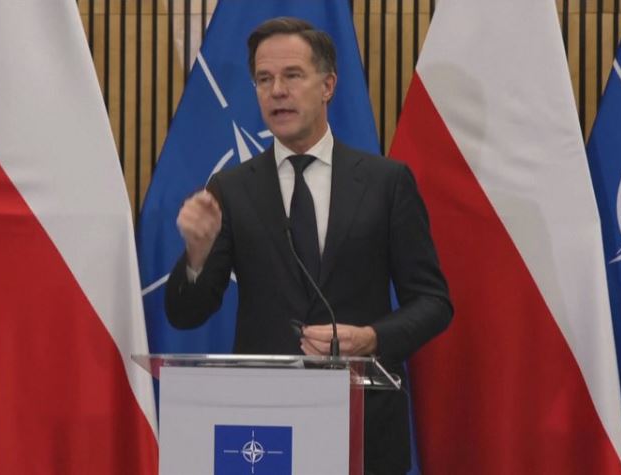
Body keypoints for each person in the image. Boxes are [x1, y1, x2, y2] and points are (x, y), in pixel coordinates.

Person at [165, 16, 452, 474]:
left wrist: (372, 338)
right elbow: (186, 314)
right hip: (263, 429)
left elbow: (433, 302)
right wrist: (196, 257)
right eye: (264, 79)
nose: (277, 90)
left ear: (328, 85)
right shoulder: (232, 189)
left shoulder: (386, 183)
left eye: (292, 75)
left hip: (364, 425)